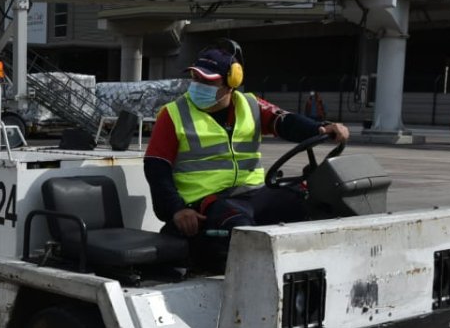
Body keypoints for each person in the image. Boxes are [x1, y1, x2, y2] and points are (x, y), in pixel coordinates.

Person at [144, 42, 349, 259]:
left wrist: (320, 128)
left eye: (208, 81)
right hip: (207, 201)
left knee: (311, 202)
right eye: (196, 78)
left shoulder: (250, 105)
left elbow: (285, 121)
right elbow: (156, 168)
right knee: (241, 230)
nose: (198, 85)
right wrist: (177, 209)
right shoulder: (173, 114)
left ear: (231, 83)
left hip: (254, 192)